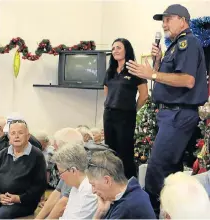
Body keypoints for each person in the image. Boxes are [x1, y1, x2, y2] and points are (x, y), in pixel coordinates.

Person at [126, 4, 208, 216]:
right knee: (171, 171)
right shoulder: (175, 45)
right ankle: (172, 212)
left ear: (183, 20)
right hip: (171, 114)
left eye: (168, 18)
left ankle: (149, 213)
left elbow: (187, 80)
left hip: (178, 113)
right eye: (162, 20)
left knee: (156, 169)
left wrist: (152, 74)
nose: (163, 24)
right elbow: (171, 79)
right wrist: (159, 61)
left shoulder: (187, 43)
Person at [0, 120, 47, 219]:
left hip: (23, 202)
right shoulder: (3, 153)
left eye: (20, 133)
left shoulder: (37, 156)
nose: (16, 136)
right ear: (9, 137)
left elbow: (40, 185)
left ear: (28, 136)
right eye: (13, 133)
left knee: (0, 216)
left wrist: (18, 198)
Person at [103, 38, 148, 179]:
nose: (115, 50)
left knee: (125, 152)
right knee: (110, 151)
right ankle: (112, 181)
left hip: (126, 116)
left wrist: (133, 109)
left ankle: (128, 183)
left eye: (118, 47)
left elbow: (144, 95)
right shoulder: (110, 71)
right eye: (113, 48)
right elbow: (107, 91)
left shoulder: (135, 70)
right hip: (109, 114)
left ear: (126, 50)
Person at [89, 151, 156, 219]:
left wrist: (98, 214)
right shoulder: (135, 193)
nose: (93, 191)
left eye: (93, 185)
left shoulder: (125, 208)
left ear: (107, 181)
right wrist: (102, 211)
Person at [51, 143, 97, 219]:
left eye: (61, 172)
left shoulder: (88, 192)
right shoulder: (77, 186)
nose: (60, 177)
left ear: (73, 170)